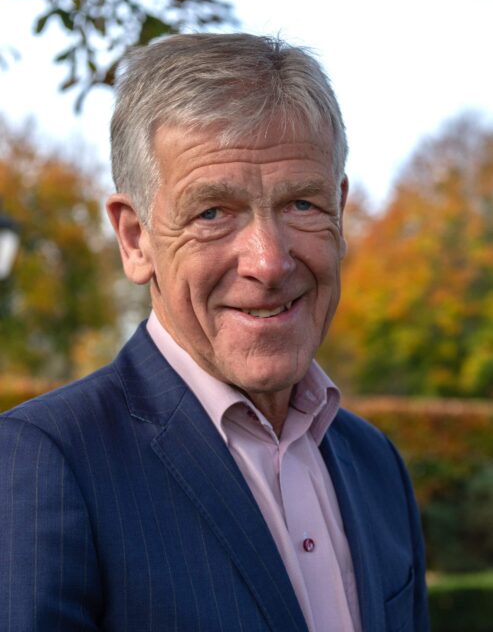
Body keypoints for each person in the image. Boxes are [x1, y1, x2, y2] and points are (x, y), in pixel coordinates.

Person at [0, 33, 429, 631]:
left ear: (339, 211)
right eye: (212, 212)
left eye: (301, 205)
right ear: (135, 240)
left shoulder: (376, 463)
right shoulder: (46, 462)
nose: (269, 262)